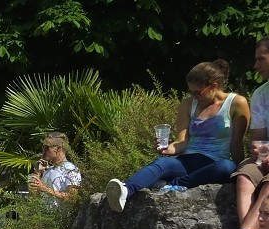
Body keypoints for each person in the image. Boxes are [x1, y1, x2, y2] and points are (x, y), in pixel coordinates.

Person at [107, 60, 249, 212]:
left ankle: (174, 183)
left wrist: (240, 172)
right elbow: (181, 141)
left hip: (213, 164)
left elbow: (236, 142)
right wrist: (168, 148)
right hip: (187, 161)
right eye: (191, 92)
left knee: (227, 166)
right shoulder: (188, 104)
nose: (194, 97)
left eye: (197, 93)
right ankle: (126, 190)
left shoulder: (236, 103)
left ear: (213, 86)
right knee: (162, 163)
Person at [214, 39, 269, 229]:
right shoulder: (260, 94)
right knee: (245, 174)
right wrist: (260, 150)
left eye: (260, 59)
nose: (255, 66)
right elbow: (258, 138)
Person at [29, 132, 81, 202]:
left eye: (47, 147)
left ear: (58, 149)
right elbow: (33, 198)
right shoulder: (48, 170)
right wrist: (38, 172)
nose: (43, 151)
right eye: (43, 147)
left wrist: (45, 189)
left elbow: (72, 198)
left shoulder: (71, 169)